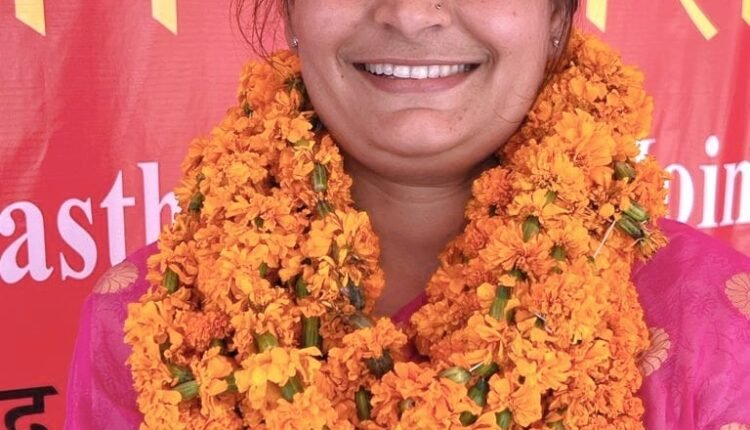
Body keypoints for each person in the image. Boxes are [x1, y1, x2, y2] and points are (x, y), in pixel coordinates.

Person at [65, 0, 750, 429]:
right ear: (293, 16)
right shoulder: (151, 319)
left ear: (555, 17)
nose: (412, 13)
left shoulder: (711, 324)